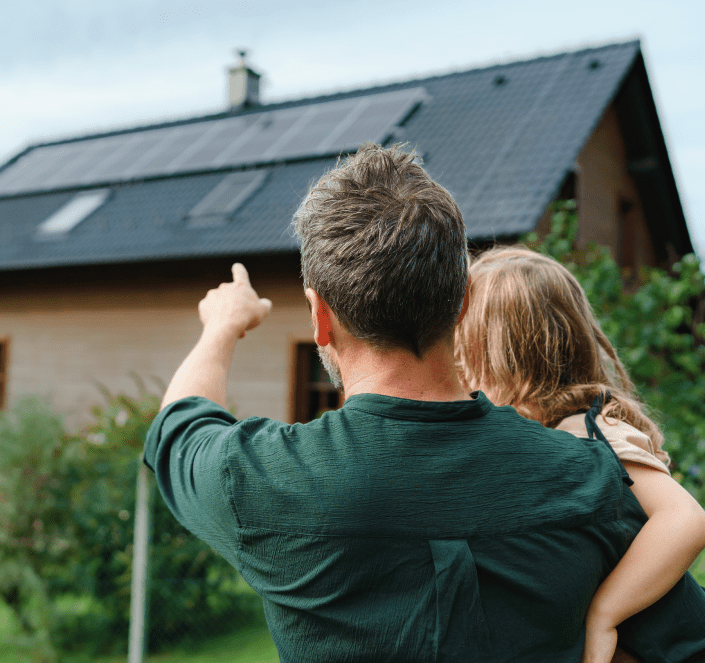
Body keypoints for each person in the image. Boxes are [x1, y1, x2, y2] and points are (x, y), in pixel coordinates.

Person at [143, 144, 705, 662]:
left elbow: (179, 423)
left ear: (320, 318)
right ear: (462, 303)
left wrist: (223, 326)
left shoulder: (262, 480)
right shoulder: (590, 478)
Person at [454, 245, 705, 663]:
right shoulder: (551, 434)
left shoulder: (589, 431)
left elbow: (686, 519)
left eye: (465, 351)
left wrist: (604, 614)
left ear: (506, 356)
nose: (460, 367)